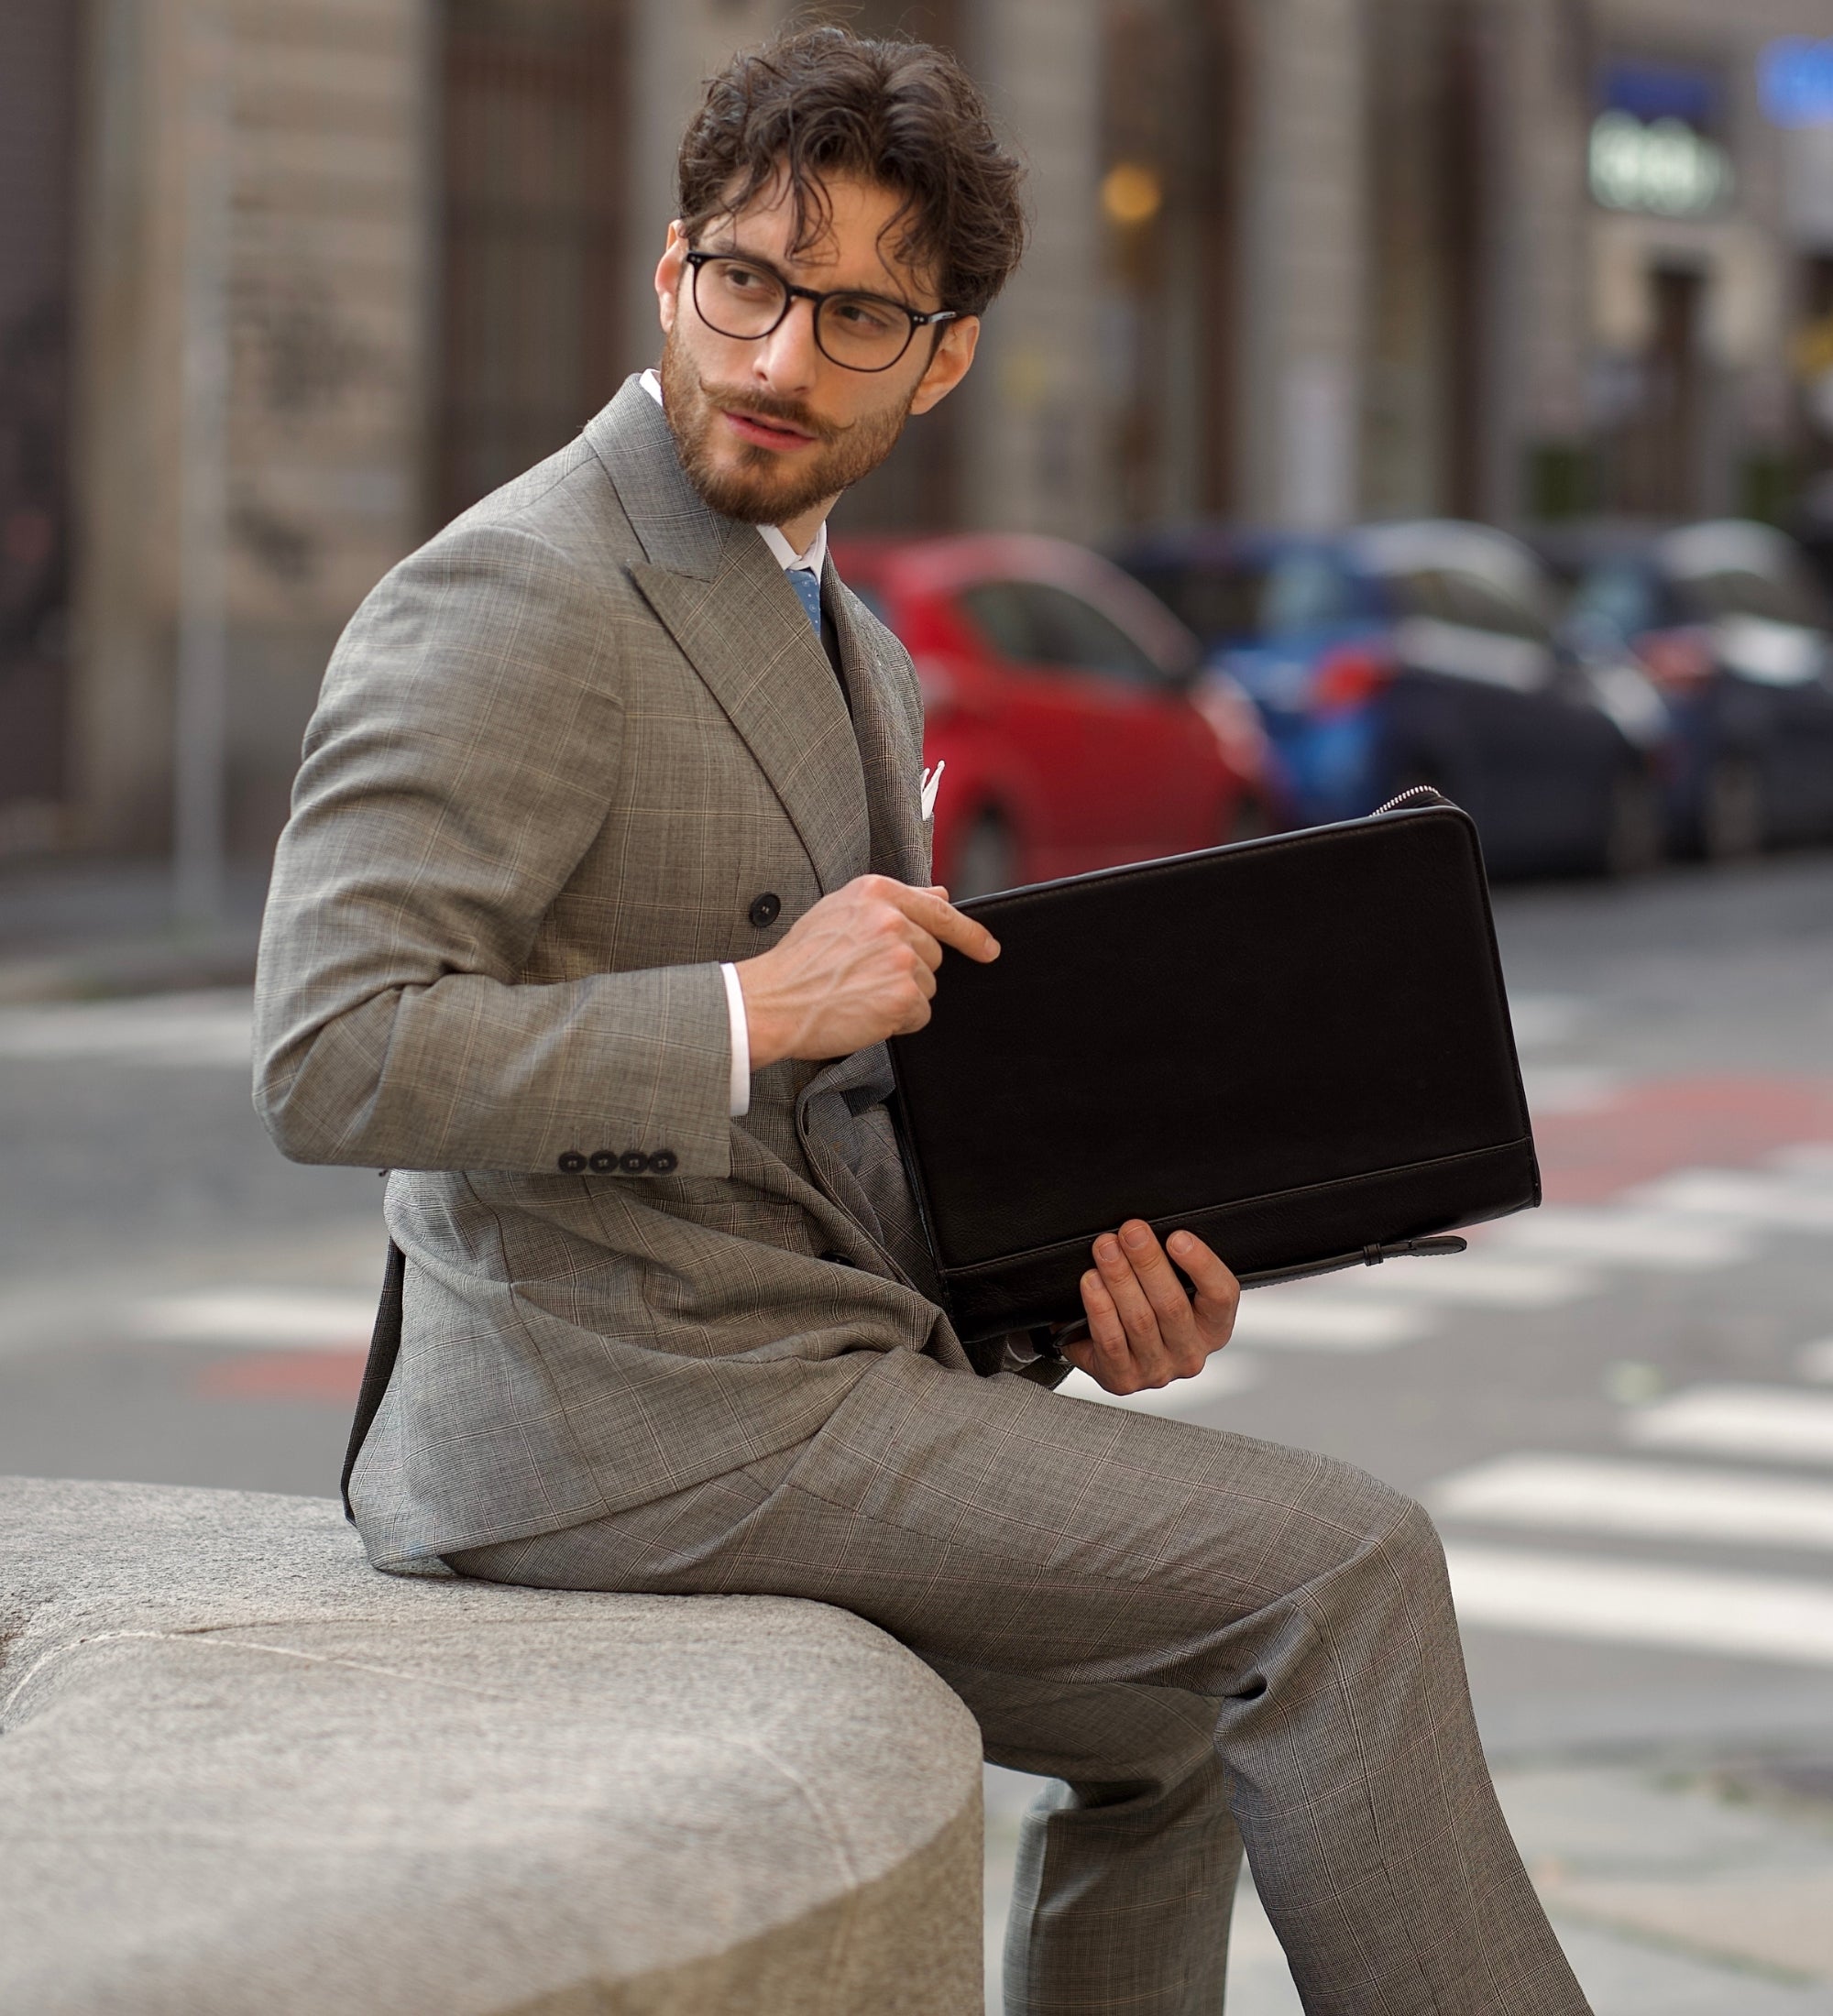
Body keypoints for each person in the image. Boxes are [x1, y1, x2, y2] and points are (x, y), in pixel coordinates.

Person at [254, 25, 1591, 2015]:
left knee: (1180, 1719)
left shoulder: (848, 635)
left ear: (943, 354)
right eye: (747, 281)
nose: (782, 355)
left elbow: (839, 1135)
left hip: (805, 1365)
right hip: (619, 1415)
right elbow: (331, 1045)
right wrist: (746, 1007)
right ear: (671, 269)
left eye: (858, 314)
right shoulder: (519, 592)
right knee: (1347, 1565)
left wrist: (1057, 1297)